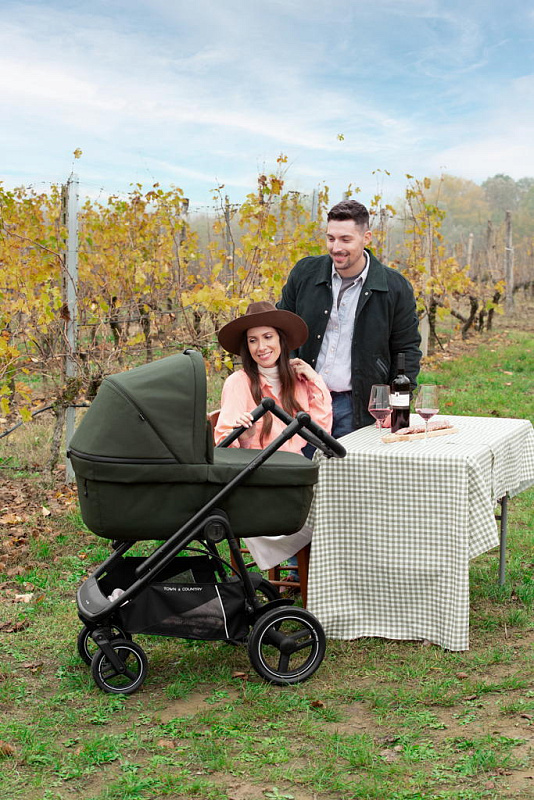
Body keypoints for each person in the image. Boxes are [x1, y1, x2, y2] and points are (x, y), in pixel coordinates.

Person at [278, 199, 422, 438]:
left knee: (348, 462)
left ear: (366, 238)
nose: (336, 247)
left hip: (356, 404)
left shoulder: (394, 287)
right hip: (303, 398)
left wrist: (397, 407)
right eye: (330, 238)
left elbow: (406, 350)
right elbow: (282, 328)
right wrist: (288, 375)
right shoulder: (304, 274)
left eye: (345, 239)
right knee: (298, 461)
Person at [215, 301, 332, 572]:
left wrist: (315, 380)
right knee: (331, 513)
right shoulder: (238, 382)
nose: (261, 347)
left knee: (344, 500)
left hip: (293, 476)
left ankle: (321, 574)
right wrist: (246, 434)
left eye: (268, 337)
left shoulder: (297, 379)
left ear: (281, 339)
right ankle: (313, 573)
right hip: (258, 483)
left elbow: (320, 431)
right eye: (253, 340)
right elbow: (223, 445)